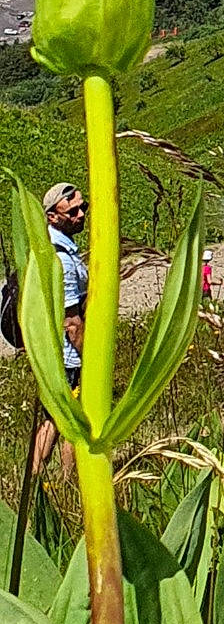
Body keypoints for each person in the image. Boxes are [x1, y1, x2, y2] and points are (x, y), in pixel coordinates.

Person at [30, 182, 87, 483]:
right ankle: (69, 480)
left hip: (56, 352)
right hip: (70, 356)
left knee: (53, 417)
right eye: (72, 211)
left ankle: (35, 478)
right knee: (77, 419)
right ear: (52, 216)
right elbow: (71, 321)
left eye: (83, 207)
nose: (81, 215)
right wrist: (90, 358)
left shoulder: (53, 247)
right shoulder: (61, 258)